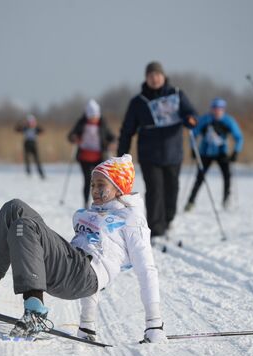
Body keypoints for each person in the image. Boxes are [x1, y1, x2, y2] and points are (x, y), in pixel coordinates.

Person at [0, 154, 167, 343]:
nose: (95, 190)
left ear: (119, 188)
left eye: (102, 185)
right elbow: (84, 249)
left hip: (83, 275)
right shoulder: (92, 214)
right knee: (14, 208)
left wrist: (154, 325)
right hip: (70, 266)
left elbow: (145, 270)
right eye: (93, 184)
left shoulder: (131, 220)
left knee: (25, 226)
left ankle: (35, 311)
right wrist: (87, 328)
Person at [117, 61, 198, 245]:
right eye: (151, 75)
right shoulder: (138, 102)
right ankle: (156, 228)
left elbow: (190, 113)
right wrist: (122, 154)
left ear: (163, 76)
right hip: (149, 154)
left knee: (172, 189)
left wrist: (191, 119)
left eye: (158, 75)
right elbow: (127, 129)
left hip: (173, 152)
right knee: (155, 190)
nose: (155, 78)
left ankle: (168, 220)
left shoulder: (176, 94)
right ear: (146, 78)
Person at [184, 98, 244, 211]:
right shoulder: (205, 119)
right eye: (214, 109)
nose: (217, 111)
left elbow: (239, 137)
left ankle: (226, 200)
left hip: (222, 153)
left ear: (223, 110)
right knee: (199, 178)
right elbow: (193, 133)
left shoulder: (228, 121)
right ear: (211, 109)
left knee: (227, 176)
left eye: (219, 109)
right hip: (205, 153)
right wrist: (193, 149)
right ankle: (190, 202)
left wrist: (236, 151)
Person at [68, 99, 116, 208]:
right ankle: (85, 203)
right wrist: (74, 138)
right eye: (91, 116)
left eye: (96, 116)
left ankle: (102, 202)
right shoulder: (81, 123)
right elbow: (70, 135)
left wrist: (112, 142)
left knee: (101, 182)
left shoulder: (102, 123)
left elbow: (111, 136)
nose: (94, 119)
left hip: (99, 157)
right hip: (84, 157)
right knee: (88, 181)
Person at [15, 114, 45, 179]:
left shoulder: (36, 128)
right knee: (27, 158)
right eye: (29, 122)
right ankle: (28, 172)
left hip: (34, 144)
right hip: (27, 143)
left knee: (37, 160)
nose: (31, 123)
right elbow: (17, 129)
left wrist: (36, 127)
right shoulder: (25, 128)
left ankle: (41, 173)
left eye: (32, 122)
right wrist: (19, 123)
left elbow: (42, 130)